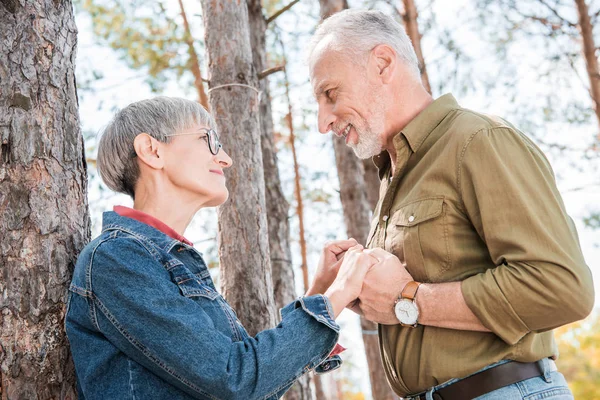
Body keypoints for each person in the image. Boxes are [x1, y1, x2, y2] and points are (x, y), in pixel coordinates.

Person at [308, 9, 594, 400]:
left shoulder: (477, 140)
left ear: (382, 64)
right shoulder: (394, 174)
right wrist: (351, 290)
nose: (323, 122)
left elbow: (562, 288)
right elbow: (411, 297)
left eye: (330, 94)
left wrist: (408, 297)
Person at [65, 96, 376, 399]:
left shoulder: (166, 262)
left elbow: (251, 382)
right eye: (208, 139)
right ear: (152, 151)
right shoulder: (117, 258)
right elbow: (234, 381)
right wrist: (339, 294)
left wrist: (322, 293)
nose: (225, 158)